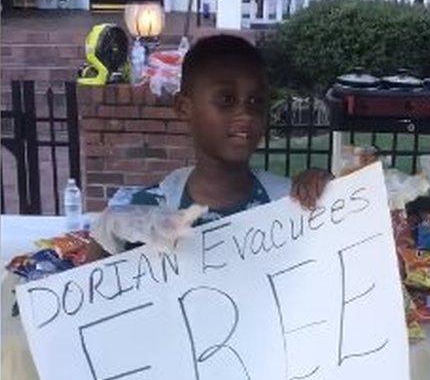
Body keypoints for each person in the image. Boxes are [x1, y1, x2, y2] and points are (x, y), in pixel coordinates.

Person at [89, 34, 332, 258]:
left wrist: (332, 196)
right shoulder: (147, 212)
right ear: (184, 108)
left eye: (256, 101)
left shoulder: (290, 202)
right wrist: (105, 238)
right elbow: (92, 294)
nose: (245, 114)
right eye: (226, 100)